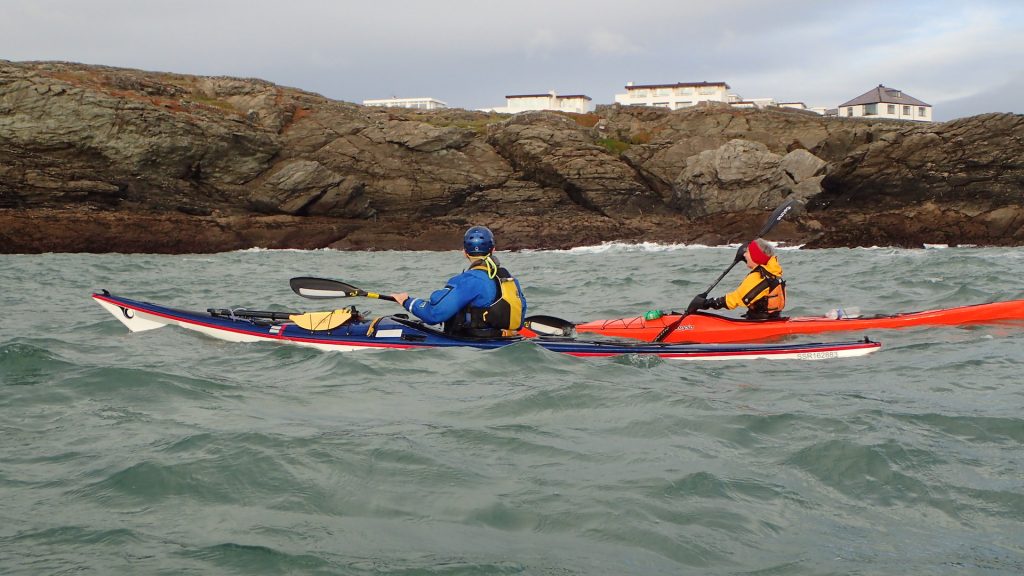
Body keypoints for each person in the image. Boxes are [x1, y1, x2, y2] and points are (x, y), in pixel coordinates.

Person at [390, 226, 527, 337]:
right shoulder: (508, 278)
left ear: (465, 252)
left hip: (474, 344)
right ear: (493, 250)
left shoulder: (468, 280)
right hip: (502, 338)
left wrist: (407, 301)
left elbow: (434, 315)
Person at [692, 238, 786, 319]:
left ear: (755, 257)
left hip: (760, 322)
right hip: (771, 318)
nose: (744, 255)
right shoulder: (772, 272)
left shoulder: (758, 277)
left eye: (748, 252)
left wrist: (707, 303)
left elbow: (736, 299)